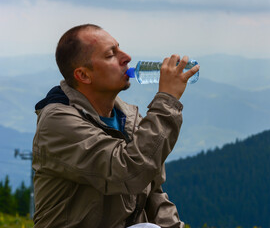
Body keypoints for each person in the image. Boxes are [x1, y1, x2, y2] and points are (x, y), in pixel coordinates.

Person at [32, 24, 200, 228]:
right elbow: (129, 171)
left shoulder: (129, 118)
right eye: (111, 55)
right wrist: (167, 100)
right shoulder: (58, 122)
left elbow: (154, 192)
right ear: (83, 75)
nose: (126, 57)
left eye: (119, 48)